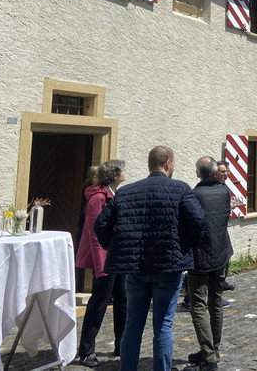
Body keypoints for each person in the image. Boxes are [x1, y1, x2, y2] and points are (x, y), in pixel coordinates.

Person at [95, 146, 206, 371]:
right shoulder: (180, 189)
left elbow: (101, 224)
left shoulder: (126, 192)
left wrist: (117, 246)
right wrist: (183, 245)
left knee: (132, 325)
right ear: (167, 163)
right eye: (173, 162)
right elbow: (198, 221)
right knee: (163, 326)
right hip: (168, 265)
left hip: (136, 266)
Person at [76, 160, 127, 367]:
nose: (125, 172)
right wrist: (101, 265)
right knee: (98, 304)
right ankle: (87, 351)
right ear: (114, 175)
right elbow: (95, 234)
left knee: (123, 301)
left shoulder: (114, 194)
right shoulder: (97, 198)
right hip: (106, 259)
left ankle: (121, 344)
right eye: (122, 170)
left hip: (119, 257)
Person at [184, 157, 233, 371]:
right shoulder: (224, 192)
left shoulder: (194, 195)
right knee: (216, 301)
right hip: (221, 253)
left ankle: (209, 356)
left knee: (198, 304)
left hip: (200, 256)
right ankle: (213, 348)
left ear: (198, 173)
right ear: (215, 172)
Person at [215, 160, 237, 292]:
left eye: (227, 171)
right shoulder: (214, 188)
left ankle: (222, 282)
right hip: (214, 228)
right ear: (215, 172)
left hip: (221, 227)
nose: (226, 174)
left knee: (227, 254)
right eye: (223, 171)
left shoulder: (223, 187)